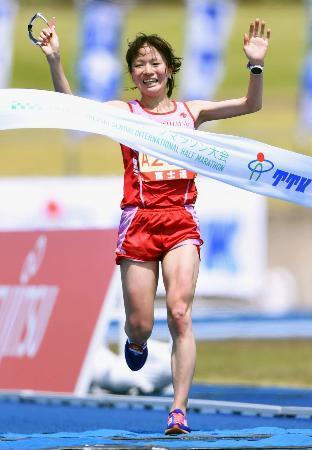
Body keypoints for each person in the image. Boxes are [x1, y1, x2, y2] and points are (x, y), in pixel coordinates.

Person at [37, 16, 270, 435]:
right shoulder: (122, 113)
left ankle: (178, 410)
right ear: (132, 75)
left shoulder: (190, 112)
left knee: (180, 313)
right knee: (142, 322)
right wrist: (55, 60)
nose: (149, 69)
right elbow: (72, 111)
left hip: (181, 221)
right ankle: (137, 341)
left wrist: (255, 66)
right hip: (139, 222)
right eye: (140, 63)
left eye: (156, 61)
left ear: (169, 69)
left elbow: (250, 105)